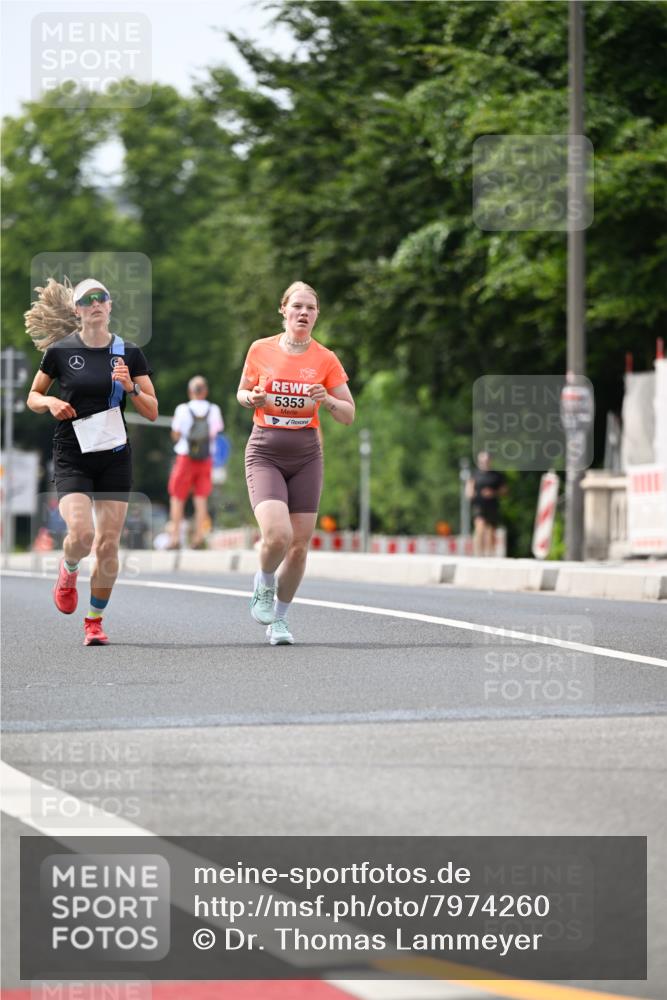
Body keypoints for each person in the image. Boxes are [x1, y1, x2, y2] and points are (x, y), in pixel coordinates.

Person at [26, 276, 158, 645]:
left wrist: (130, 387)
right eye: (88, 299)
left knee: (107, 543)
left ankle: (94, 621)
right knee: (82, 535)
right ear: (77, 309)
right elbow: (33, 396)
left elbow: (152, 409)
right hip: (73, 455)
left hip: (114, 456)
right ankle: (68, 569)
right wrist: (50, 402)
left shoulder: (128, 353)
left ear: (110, 305)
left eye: (102, 297)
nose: (96, 303)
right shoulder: (60, 351)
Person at [237, 281, 355, 645]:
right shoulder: (260, 349)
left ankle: (280, 621)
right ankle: (264, 582)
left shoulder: (325, 358)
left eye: (311, 308)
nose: (304, 313)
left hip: (306, 454)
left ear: (317, 315)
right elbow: (242, 391)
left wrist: (328, 400)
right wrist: (251, 397)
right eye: (298, 307)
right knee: (278, 536)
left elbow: (348, 414)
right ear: (284, 310)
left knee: (300, 546)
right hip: (265, 451)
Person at [166, 376, 224, 549]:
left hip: (185, 457)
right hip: (206, 458)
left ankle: (175, 538)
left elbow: (175, 433)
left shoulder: (182, 409)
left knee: (177, 497)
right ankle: (199, 538)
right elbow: (216, 432)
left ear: (190, 391)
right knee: (201, 498)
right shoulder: (214, 409)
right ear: (205, 391)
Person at [465, 451, 507, 556]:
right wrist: (470, 494)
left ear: (490, 461)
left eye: (486, 460)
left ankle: (490, 554)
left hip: (492, 505)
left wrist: (493, 493)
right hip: (479, 504)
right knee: (480, 527)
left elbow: (504, 491)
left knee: (491, 531)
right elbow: (469, 488)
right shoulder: (474, 474)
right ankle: (478, 553)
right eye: (482, 460)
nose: (484, 462)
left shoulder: (496, 475)